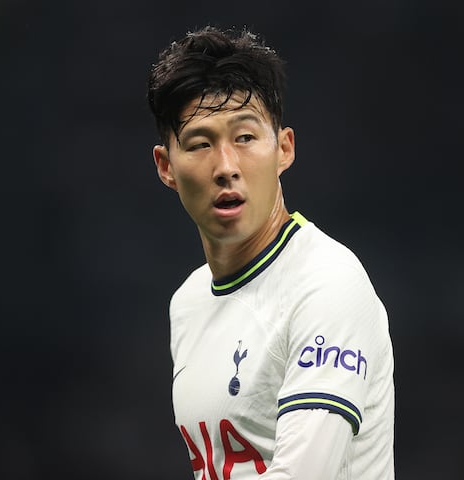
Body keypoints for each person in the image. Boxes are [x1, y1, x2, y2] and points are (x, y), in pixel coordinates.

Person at [147, 26, 395, 479]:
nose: (226, 168)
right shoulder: (188, 302)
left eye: (245, 138)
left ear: (284, 149)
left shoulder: (327, 284)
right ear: (166, 166)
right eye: (201, 144)